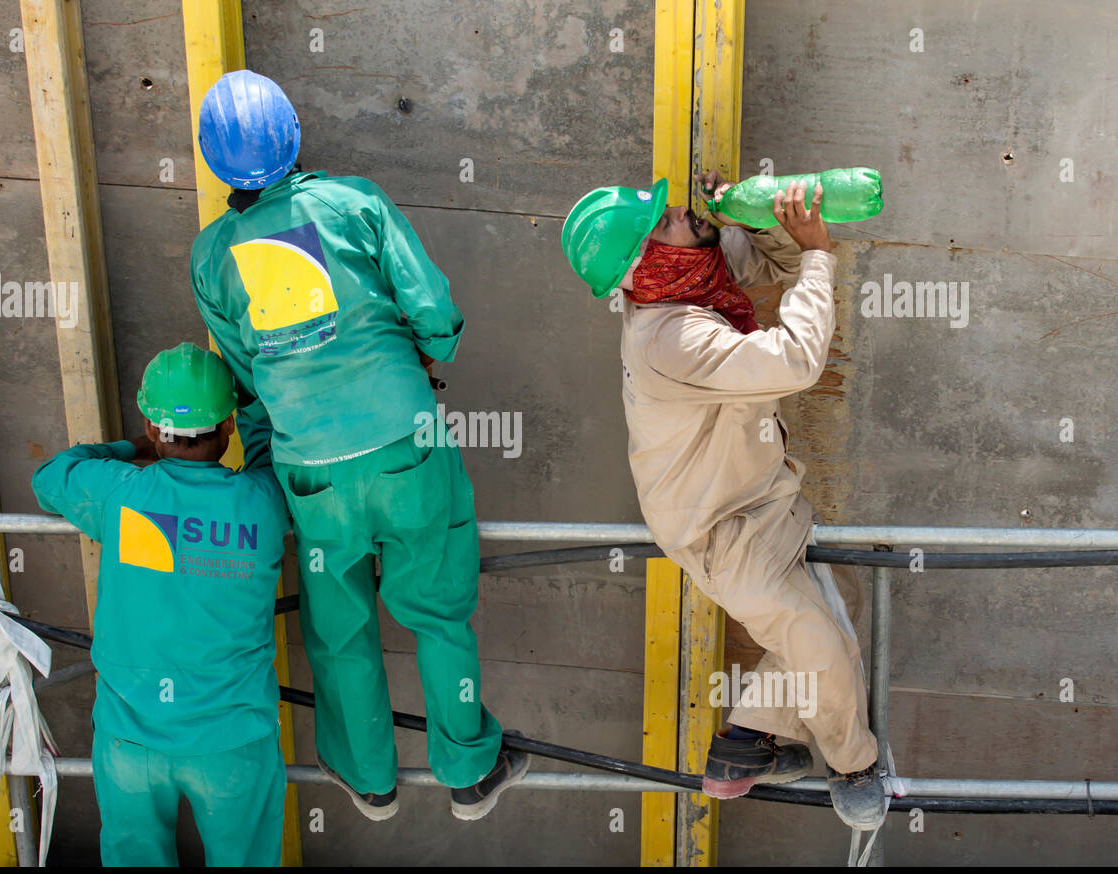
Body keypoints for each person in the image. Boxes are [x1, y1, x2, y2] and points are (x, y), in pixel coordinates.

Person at [188, 70, 528, 823]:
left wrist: (276, 464)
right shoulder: (354, 202)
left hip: (312, 472)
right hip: (406, 446)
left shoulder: (213, 257)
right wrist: (431, 350)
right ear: (294, 136)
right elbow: (433, 309)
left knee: (340, 630)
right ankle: (469, 772)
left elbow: (248, 384)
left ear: (213, 161)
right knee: (437, 612)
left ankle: (369, 780)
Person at [561, 171, 886, 830]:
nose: (678, 212)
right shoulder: (668, 336)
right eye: (664, 224)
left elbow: (778, 260)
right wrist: (821, 255)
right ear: (650, 261)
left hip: (758, 502)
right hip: (721, 530)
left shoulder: (690, 272)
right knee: (819, 640)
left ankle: (747, 744)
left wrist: (759, 215)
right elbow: (794, 360)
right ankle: (853, 767)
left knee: (839, 606)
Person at [32, 343, 291, 864]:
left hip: (131, 742)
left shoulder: (120, 492)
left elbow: (52, 475)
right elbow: (273, 451)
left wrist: (136, 448)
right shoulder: (265, 501)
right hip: (232, 741)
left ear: (152, 427)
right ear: (228, 427)